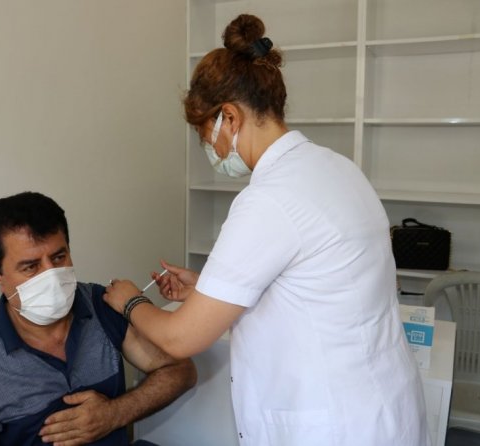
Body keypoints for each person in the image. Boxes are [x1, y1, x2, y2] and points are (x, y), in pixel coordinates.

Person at [104, 14, 429, 446]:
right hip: (386, 404)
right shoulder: (337, 168)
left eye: (205, 135)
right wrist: (207, 288)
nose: (209, 149)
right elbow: (317, 281)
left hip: (334, 424)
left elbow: (181, 339)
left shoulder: (269, 199)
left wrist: (131, 301)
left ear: (229, 118)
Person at [0, 191, 196, 446]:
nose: (52, 276)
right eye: (31, 266)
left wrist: (114, 413)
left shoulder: (101, 305)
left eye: (59, 257)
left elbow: (180, 371)